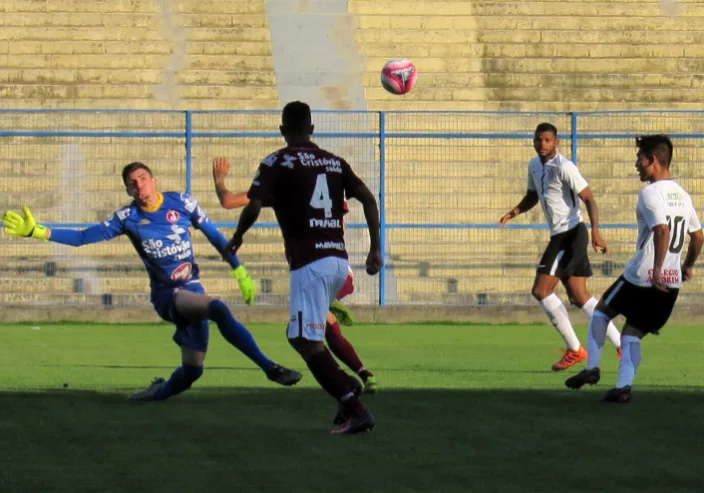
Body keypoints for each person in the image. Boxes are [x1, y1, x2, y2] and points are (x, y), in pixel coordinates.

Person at [2, 162, 302, 400]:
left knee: (192, 371)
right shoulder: (127, 217)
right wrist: (38, 232)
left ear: (154, 179)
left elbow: (216, 237)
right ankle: (270, 368)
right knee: (219, 309)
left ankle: (155, 395)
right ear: (129, 190)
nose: (139, 185)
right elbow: (82, 237)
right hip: (168, 296)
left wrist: (240, 271)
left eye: (143, 178)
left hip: (192, 289)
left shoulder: (183, 203)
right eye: (133, 183)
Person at [224, 101, 382, 434]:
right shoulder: (334, 162)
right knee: (309, 334)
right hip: (338, 261)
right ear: (312, 129)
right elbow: (369, 198)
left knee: (302, 339)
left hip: (309, 263)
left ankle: (353, 403)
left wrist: (238, 236)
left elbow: (252, 205)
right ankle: (347, 389)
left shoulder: (276, 161)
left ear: (282, 130)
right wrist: (375, 248)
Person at [212, 157, 378, 397]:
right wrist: (374, 248)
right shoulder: (330, 183)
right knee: (315, 327)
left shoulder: (282, 185)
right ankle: (359, 378)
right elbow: (358, 207)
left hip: (312, 268)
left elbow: (229, 201)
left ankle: (350, 387)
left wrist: (219, 181)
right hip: (338, 266)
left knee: (302, 335)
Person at [566, 135, 703, 402]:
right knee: (632, 333)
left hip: (643, 276)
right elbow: (698, 236)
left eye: (639, 158)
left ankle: (593, 367)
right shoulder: (683, 195)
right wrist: (686, 266)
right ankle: (624, 387)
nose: (636, 164)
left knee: (601, 312)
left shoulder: (649, 193)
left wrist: (658, 269)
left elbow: (662, 230)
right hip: (670, 285)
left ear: (652, 160)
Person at [499, 122, 621, 371]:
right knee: (578, 296)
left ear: (556, 142)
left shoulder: (565, 167)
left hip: (571, 234)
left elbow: (588, 198)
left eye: (546, 140)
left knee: (541, 291)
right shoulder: (534, 166)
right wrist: (513, 212)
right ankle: (621, 343)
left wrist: (596, 233)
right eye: (538, 140)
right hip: (559, 235)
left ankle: (575, 350)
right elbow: (533, 195)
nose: (542, 144)